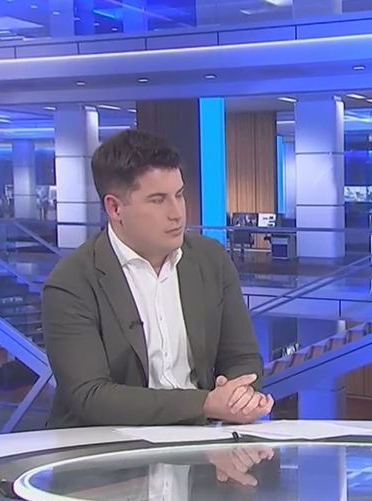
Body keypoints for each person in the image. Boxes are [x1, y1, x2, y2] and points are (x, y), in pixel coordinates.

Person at [41, 128, 273, 428]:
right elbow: (90, 396)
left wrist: (239, 396)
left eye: (179, 195)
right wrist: (205, 404)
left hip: (198, 440)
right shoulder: (71, 282)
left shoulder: (211, 259)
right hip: (104, 444)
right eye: (157, 200)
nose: (177, 213)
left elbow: (242, 357)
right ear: (115, 208)